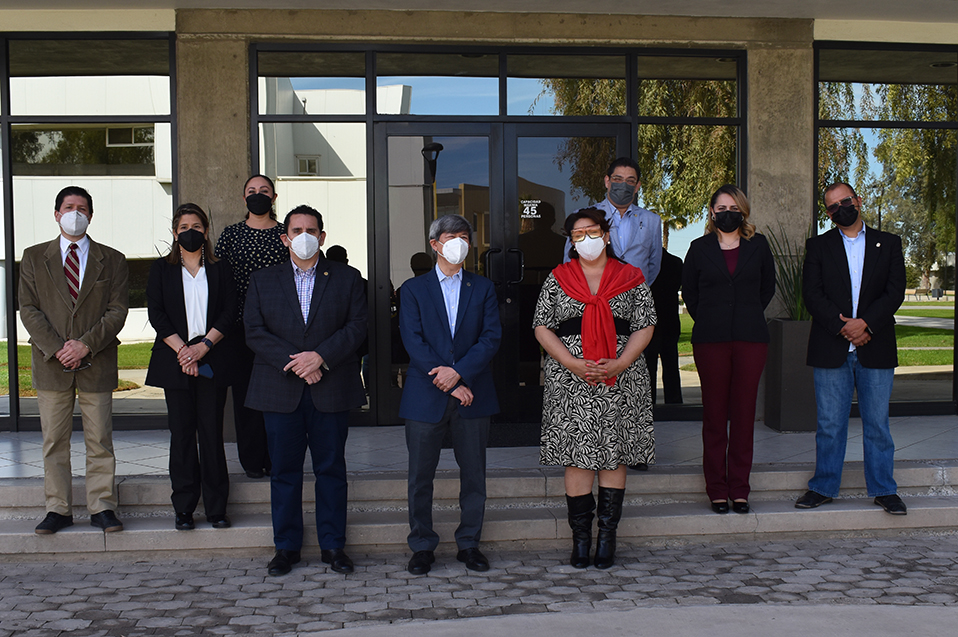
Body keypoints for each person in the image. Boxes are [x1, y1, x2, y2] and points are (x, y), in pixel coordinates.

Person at [244, 205, 367, 576]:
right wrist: (298, 362)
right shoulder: (263, 280)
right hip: (280, 391)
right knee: (284, 472)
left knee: (331, 469)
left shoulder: (347, 278)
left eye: (311, 229)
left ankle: (333, 546)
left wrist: (320, 357)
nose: (304, 236)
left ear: (323, 237)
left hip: (331, 388)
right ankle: (286, 548)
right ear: (284, 238)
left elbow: (357, 326)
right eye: (296, 230)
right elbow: (254, 330)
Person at [535, 207, 655, 569]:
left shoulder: (631, 277)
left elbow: (645, 324)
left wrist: (620, 362)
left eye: (591, 231)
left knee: (613, 453)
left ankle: (607, 536)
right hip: (571, 380)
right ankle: (581, 539)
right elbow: (542, 326)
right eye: (576, 234)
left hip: (621, 377)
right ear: (570, 242)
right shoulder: (558, 278)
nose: (585, 239)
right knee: (577, 455)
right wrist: (570, 362)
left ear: (606, 235)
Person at [20, 186, 129, 534]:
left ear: (91, 216)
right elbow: (29, 309)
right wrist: (58, 348)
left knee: (101, 440)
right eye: (69, 207)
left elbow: (117, 311)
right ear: (56, 214)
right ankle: (58, 509)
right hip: (51, 365)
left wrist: (84, 345)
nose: (75, 212)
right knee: (54, 441)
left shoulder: (112, 259)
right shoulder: (34, 257)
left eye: (82, 208)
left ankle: (102, 507)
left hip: (96, 362)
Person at [399, 214, 502, 576]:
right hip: (425, 396)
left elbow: (491, 338)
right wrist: (449, 381)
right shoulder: (413, 290)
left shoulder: (483, 287)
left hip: (473, 393)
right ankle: (422, 545)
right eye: (450, 236)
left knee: (474, 475)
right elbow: (413, 340)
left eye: (464, 236)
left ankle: (469, 543)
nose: (458, 242)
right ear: (434, 244)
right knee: (419, 476)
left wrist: (459, 374)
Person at [796, 182, 907, 515]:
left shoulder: (888, 243)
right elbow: (812, 294)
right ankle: (823, 486)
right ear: (828, 214)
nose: (839, 209)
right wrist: (845, 326)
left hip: (876, 345)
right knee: (830, 424)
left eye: (844, 202)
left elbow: (895, 290)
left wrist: (866, 324)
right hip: (832, 346)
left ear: (858, 201)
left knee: (877, 424)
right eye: (832, 207)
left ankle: (885, 490)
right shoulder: (817, 246)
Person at [682, 185, 775, 515]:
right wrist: (712, 317)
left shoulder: (759, 246)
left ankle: (740, 488)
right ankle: (716, 489)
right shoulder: (698, 248)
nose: (727, 213)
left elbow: (767, 288)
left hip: (750, 338)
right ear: (712, 213)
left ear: (743, 211)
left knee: (745, 414)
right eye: (721, 208)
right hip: (711, 339)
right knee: (715, 415)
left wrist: (744, 313)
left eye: (733, 207)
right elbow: (690, 293)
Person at [145, 203, 237, 531]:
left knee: (211, 435)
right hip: (176, 360)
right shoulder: (161, 270)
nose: (190, 232)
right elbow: (156, 313)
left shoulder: (221, 268)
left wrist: (203, 347)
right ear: (174, 233)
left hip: (212, 356)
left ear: (206, 231)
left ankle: (216, 508)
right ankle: (184, 507)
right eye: (183, 227)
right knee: (182, 435)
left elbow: (229, 311)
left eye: (196, 226)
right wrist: (184, 352)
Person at [214, 174, 288, 480]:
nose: (258, 195)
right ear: (244, 199)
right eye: (251, 191)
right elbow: (217, 281)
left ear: (274, 197)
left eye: (264, 191)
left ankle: (278, 456)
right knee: (246, 396)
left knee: (280, 393)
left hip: (281, 327)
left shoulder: (287, 234)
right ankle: (252, 460)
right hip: (238, 328)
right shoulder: (231, 235)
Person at [564, 157, 663, 286]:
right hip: (595, 298)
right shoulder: (584, 217)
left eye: (630, 181)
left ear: (637, 186)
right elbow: (569, 261)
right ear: (607, 181)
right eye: (618, 179)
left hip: (634, 299)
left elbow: (653, 265)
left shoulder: (652, 221)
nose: (623, 184)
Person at [645, 246, 684, 405]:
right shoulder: (675, 263)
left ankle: (648, 404)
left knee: (648, 367)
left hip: (649, 323)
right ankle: (674, 403)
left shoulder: (644, 264)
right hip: (669, 321)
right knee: (671, 366)